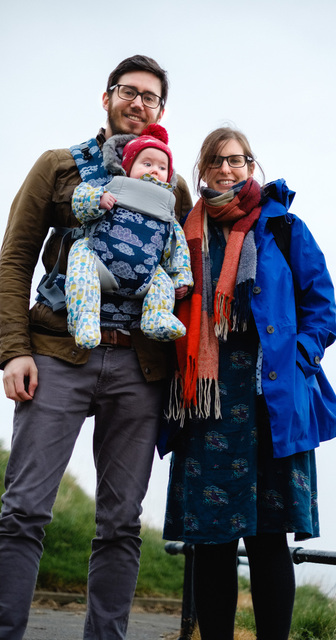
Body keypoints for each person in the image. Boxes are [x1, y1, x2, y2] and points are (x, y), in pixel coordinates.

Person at [0, 55, 192, 640]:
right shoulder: (60, 167)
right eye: (128, 92)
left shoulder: (173, 186)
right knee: (25, 510)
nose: (138, 104)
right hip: (58, 352)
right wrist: (13, 350)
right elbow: (15, 257)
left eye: (150, 98)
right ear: (106, 97)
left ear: (161, 110)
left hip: (140, 366)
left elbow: (182, 269)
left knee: (121, 524)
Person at [162, 126, 336, 640]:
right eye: (216, 161)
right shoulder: (183, 230)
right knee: (212, 543)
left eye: (237, 160)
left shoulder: (284, 226)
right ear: (201, 169)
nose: (226, 169)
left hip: (271, 402)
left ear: (251, 166)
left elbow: (322, 310)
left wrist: (298, 359)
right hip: (207, 403)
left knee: (268, 542)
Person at [65, 123, 193, 348]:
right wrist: (97, 200)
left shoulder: (167, 212)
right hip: (101, 264)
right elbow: (80, 199)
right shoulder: (110, 186)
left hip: (144, 278)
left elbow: (177, 247)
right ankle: (84, 317)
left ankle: (156, 316)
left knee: (161, 280)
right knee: (80, 254)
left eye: (162, 168)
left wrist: (180, 277)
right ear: (128, 165)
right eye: (147, 163)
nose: (155, 170)